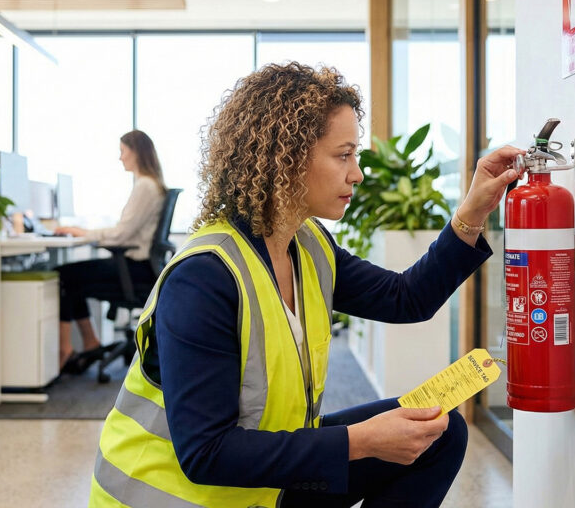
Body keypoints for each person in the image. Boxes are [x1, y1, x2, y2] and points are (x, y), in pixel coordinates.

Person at [90, 63, 523, 507]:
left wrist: (471, 212)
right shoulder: (204, 278)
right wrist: (359, 441)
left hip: (262, 482)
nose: (357, 174)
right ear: (286, 158)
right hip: (185, 496)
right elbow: (206, 454)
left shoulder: (308, 245)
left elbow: (406, 298)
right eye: (344, 155)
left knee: (438, 432)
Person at [53, 130, 166, 373]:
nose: (120, 158)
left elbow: (121, 234)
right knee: (71, 279)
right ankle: (89, 342)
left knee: (63, 275)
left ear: (136, 152)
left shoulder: (145, 186)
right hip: (141, 267)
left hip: (135, 270)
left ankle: (67, 349)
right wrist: (87, 233)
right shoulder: (149, 184)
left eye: (123, 151)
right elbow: (124, 231)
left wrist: (83, 233)